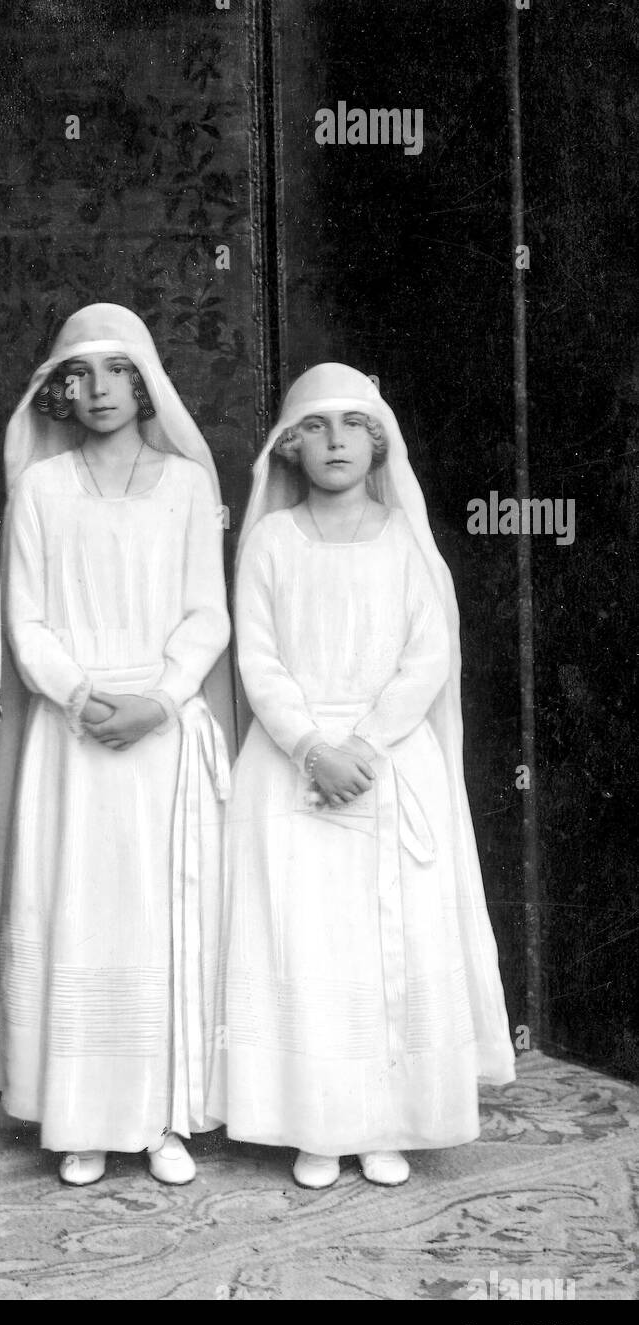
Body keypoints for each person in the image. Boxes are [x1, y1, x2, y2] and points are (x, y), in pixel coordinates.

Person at [208, 363, 515, 1189]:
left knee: (392, 946)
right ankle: (317, 1123)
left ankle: (387, 1121)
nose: (335, 441)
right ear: (290, 447)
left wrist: (367, 749)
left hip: (387, 764)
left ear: (377, 444)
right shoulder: (270, 540)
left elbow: (427, 658)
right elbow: (258, 658)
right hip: (294, 764)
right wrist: (312, 747)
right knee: (306, 943)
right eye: (315, 427)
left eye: (352, 426)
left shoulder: (405, 540)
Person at [0, 303, 234, 1187]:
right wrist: (86, 697)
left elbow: (209, 612)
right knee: (79, 912)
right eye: (79, 376)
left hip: (160, 733)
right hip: (75, 734)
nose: (97, 392)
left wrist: (159, 700)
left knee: (162, 920)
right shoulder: (43, 490)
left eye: (115, 373)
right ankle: (81, 1119)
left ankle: (166, 1119)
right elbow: (28, 621)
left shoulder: (188, 486)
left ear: (144, 382)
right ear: (58, 389)